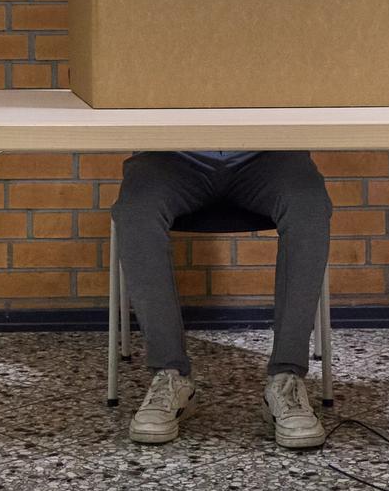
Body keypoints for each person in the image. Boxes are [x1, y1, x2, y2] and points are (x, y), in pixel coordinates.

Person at [111, 149, 333, 448]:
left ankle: (287, 378)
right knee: (137, 207)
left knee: (308, 201)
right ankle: (170, 375)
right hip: (171, 156)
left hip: (267, 154)